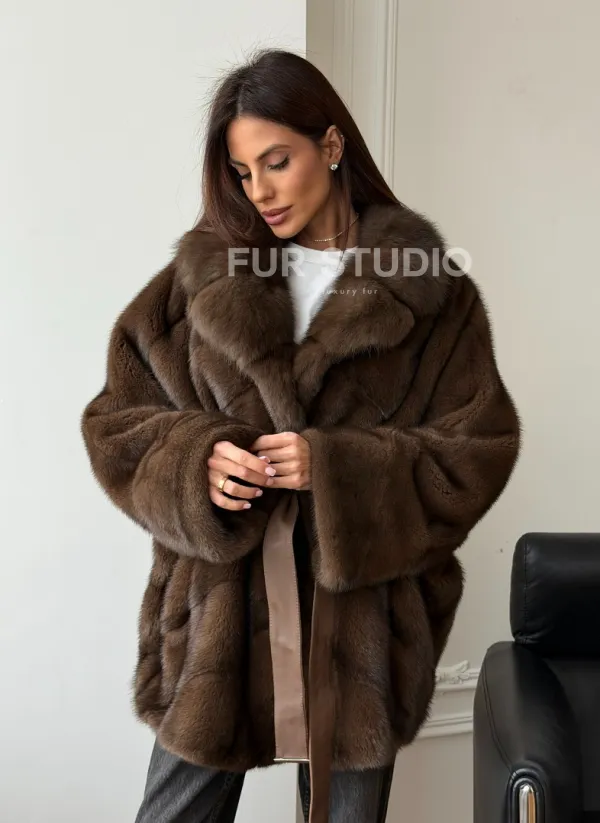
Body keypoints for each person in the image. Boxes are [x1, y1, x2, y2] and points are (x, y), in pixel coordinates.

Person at [81, 47, 521, 823]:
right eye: (243, 171)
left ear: (331, 143)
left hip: (362, 626)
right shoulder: (200, 282)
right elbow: (117, 420)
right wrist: (195, 461)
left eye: (276, 161)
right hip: (216, 619)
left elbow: (476, 446)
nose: (260, 190)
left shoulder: (429, 292)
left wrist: (340, 469)